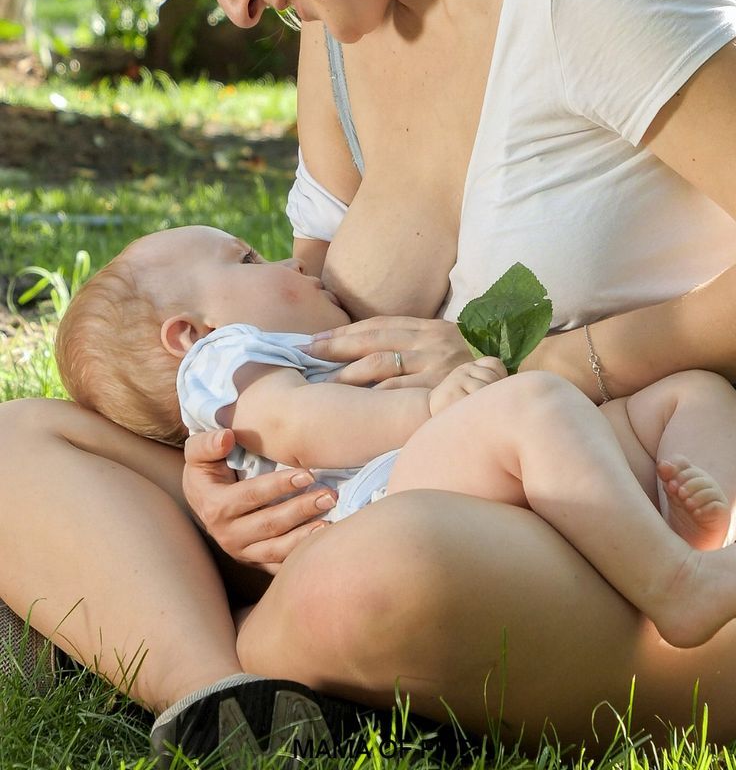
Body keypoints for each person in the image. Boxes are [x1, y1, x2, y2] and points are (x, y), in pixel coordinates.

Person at [1, 0, 736, 765]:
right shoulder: (339, 20)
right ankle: (224, 689)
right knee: (18, 444)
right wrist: (228, 480)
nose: (231, 2)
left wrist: (571, 362)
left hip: (618, 504)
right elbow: (297, 313)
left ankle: (173, 636)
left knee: (381, 570)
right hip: (387, 479)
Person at [54, 220, 736, 654]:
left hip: (450, 468)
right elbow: (298, 427)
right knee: (533, 405)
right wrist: (432, 408)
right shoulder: (221, 362)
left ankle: (682, 538)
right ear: (189, 332)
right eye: (246, 257)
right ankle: (678, 588)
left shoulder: (264, 353)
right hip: (388, 496)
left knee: (690, 397)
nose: (290, 266)